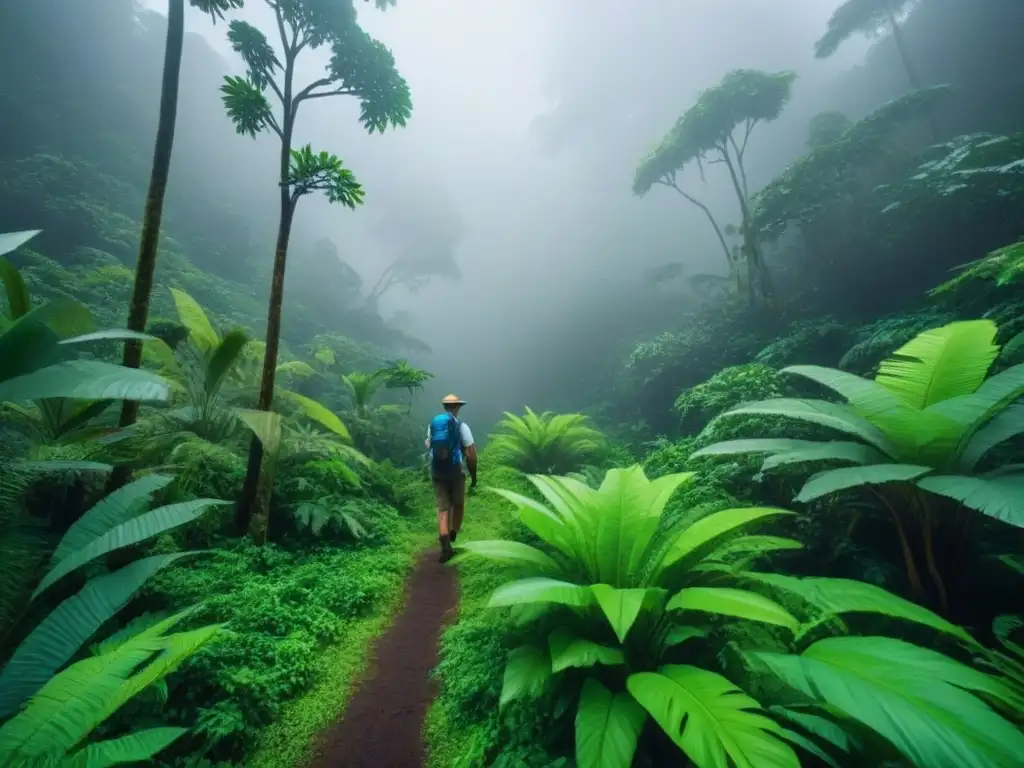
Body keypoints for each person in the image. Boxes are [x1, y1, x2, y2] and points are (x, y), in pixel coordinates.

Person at [426, 393, 477, 563]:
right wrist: (473, 476)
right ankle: (454, 531)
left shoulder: (433, 425)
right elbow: (471, 455)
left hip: (437, 471)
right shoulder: (462, 427)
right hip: (455, 471)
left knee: (443, 508)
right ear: (457, 407)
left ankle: (444, 544)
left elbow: (429, 445)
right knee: (459, 503)